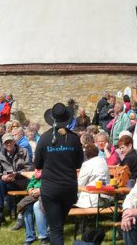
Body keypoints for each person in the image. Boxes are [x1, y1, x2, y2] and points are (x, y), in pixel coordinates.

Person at [35, 102, 84, 245]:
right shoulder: (74, 138)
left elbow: (37, 164)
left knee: (56, 229)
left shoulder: (44, 138)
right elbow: (79, 163)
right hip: (68, 188)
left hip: (51, 189)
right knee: (58, 226)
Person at [0, 133, 31, 228]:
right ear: (3, 144)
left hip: (21, 183)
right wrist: (2, 177)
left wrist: (17, 174)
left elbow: (29, 168)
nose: (8, 144)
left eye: (10, 142)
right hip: (7, 183)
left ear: (14, 142)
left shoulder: (23, 152)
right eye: (6, 143)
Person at [76, 143, 109, 208]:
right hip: (105, 197)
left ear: (86, 154)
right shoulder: (103, 161)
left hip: (91, 200)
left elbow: (80, 183)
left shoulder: (87, 164)